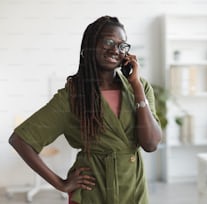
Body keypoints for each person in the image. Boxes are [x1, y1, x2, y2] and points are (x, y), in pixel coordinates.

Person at [8, 16, 162, 204]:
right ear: (90, 45)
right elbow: (20, 140)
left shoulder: (140, 88)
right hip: (93, 192)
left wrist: (136, 86)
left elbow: (151, 144)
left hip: (134, 189)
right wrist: (61, 184)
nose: (115, 49)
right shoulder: (73, 95)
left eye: (122, 46)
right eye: (108, 42)